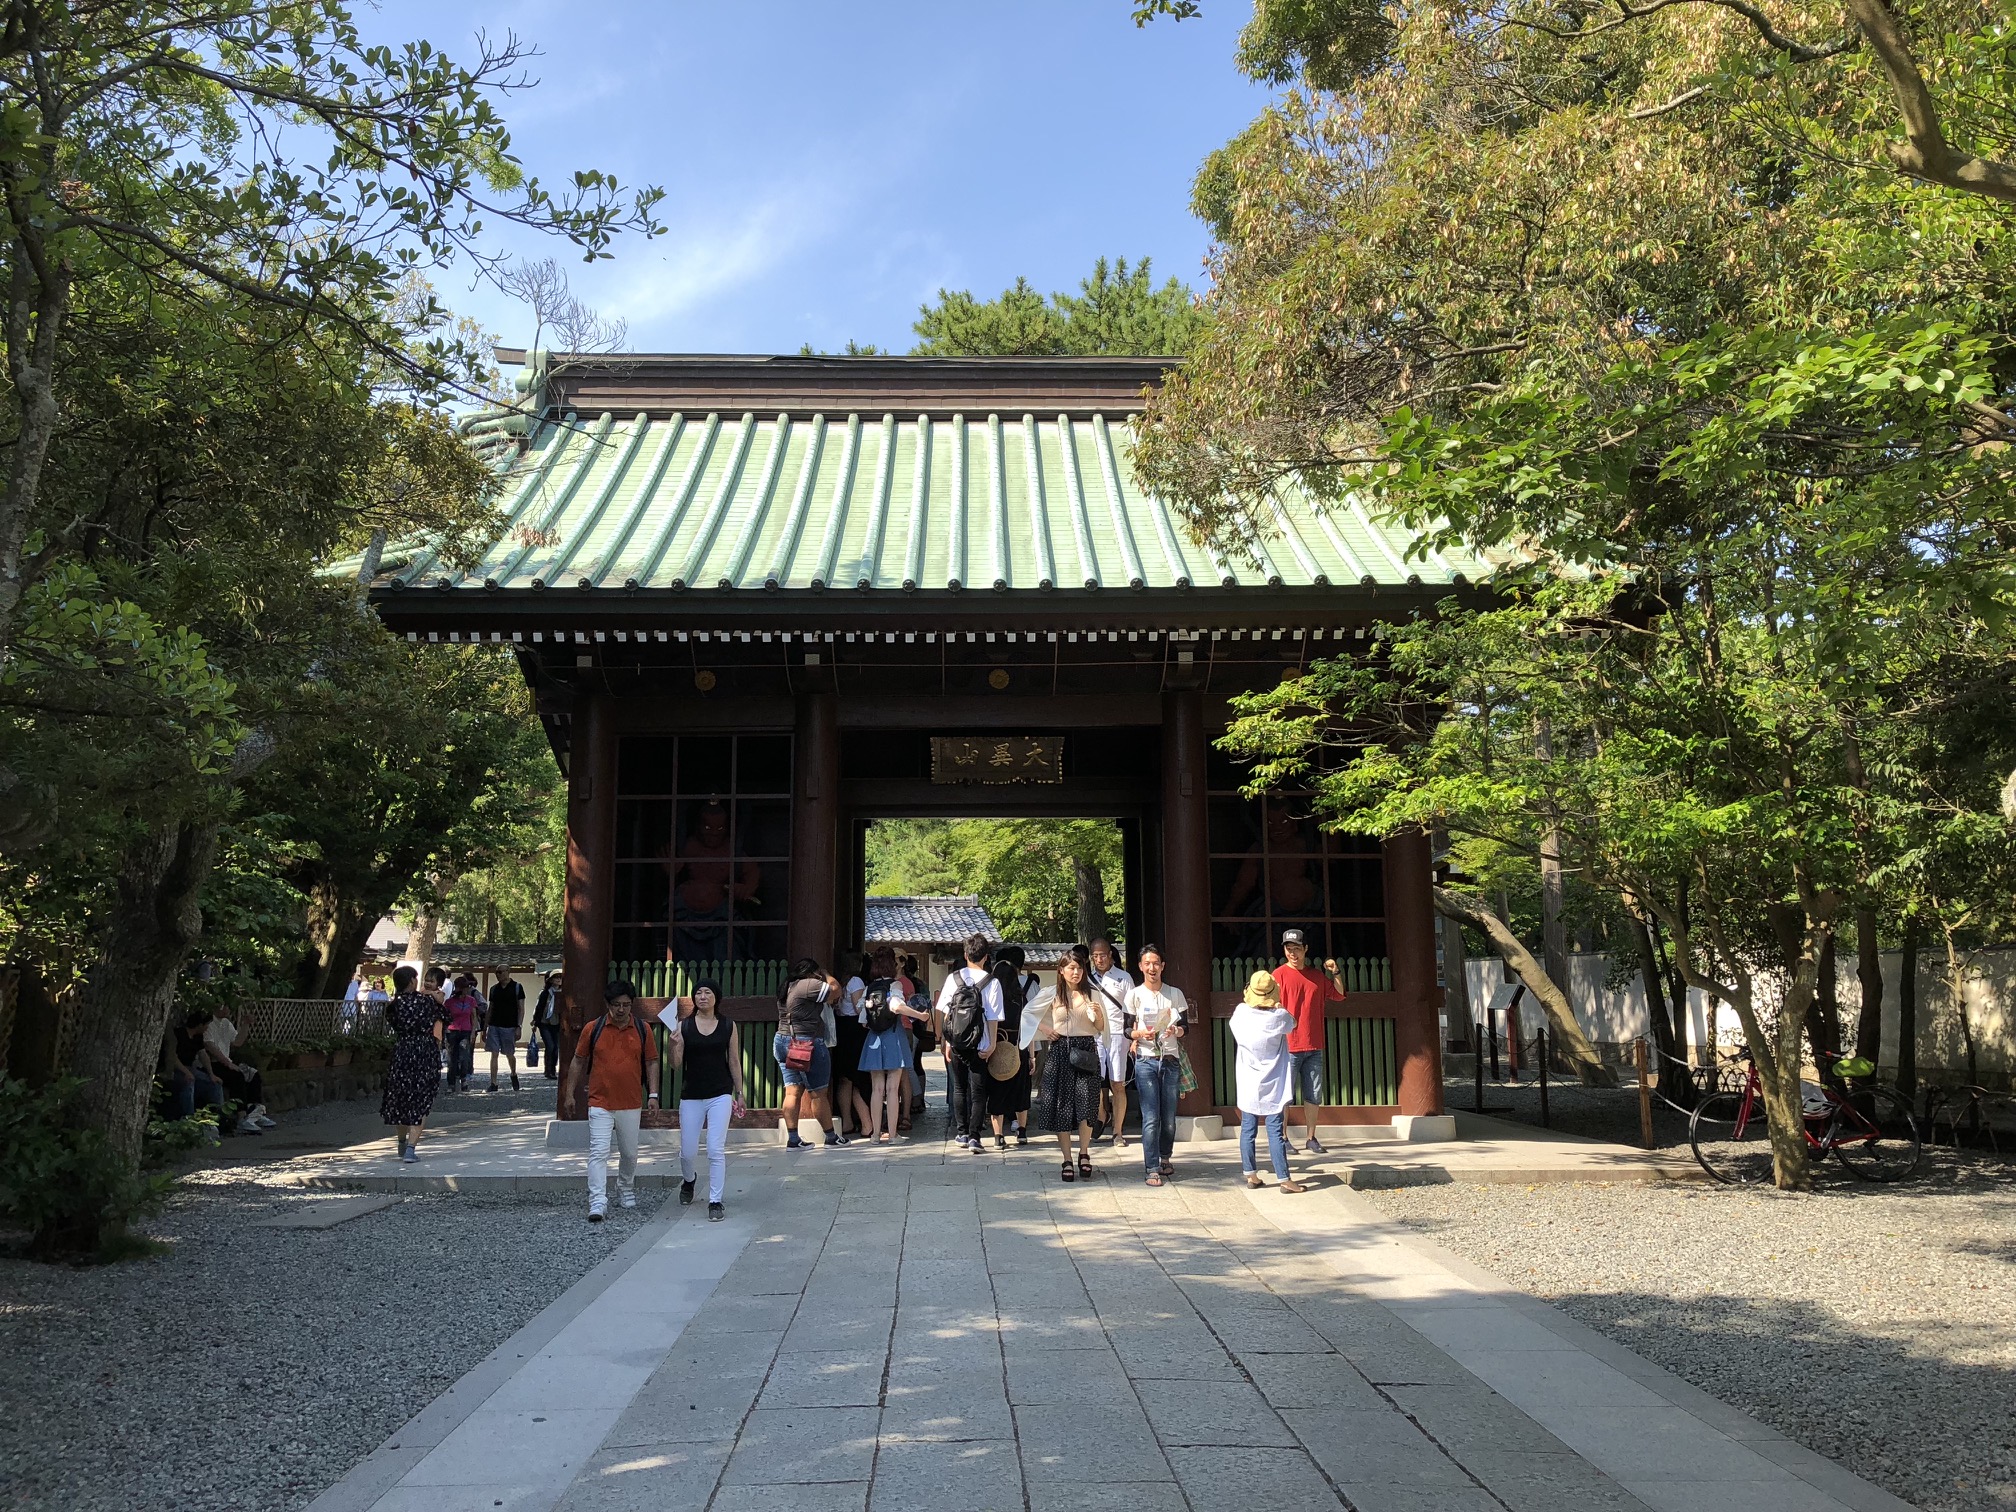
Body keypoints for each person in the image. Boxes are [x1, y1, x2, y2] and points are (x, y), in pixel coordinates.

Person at [565, 978, 660, 1221]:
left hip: (630, 1101)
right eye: (617, 1004)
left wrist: (653, 1094)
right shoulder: (592, 1028)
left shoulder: (642, 1029)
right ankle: (597, 1200)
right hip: (600, 1101)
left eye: (626, 1005)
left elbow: (651, 1061)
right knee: (598, 1152)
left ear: (632, 1005)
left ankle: (625, 1187)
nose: (621, 1010)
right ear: (608, 1004)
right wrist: (569, 1093)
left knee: (630, 1152)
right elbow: (578, 1060)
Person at [663, 978, 743, 1220]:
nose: (703, 997)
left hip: (720, 1092)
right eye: (698, 993)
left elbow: (734, 1060)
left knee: (715, 1149)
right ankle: (689, 1180)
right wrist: (672, 1044)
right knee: (687, 1151)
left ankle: (715, 1200)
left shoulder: (728, 1025)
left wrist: (739, 1092)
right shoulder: (684, 1026)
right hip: (692, 1094)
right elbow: (675, 1064)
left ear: (716, 997)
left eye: (708, 992)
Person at [1231, 970, 1307, 1193]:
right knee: (1274, 1130)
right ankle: (1284, 1178)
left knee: (1248, 1128)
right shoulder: (1279, 1017)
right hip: (1273, 1079)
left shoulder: (1241, 1013)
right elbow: (1293, 1023)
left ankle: (1251, 1175)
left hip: (1247, 1078)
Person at [1037, 944, 1108, 1181]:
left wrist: (1097, 1015)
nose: (1075, 972)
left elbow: (1100, 1028)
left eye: (1079, 968)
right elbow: (1029, 1015)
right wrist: (1047, 1029)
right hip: (1060, 1051)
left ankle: (1084, 1153)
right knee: (1062, 1106)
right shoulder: (1052, 994)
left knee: (1086, 1105)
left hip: (1086, 1050)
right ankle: (1067, 1158)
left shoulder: (1093, 994)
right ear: (1061, 971)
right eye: (1071, 968)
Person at [1273, 929, 1348, 1154]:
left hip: (1314, 1043)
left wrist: (1336, 973)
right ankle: (1283, 1137)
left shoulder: (1316, 976)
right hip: (1288, 1043)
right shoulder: (1278, 975)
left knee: (1313, 1093)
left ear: (1305, 949)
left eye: (1297, 948)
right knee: (1285, 1094)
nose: (1292, 953)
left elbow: (1339, 995)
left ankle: (1311, 1137)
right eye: (1288, 949)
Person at [1126, 945, 1188, 1186]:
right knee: (1151, 1116)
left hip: (1170, 1059)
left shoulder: (1174, 994)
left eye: (1156, 963)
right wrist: (1139, 1033)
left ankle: (1165, 1156)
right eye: (1147, 963)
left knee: (1169, 1116)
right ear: (1141, 966)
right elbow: (1126, 1029)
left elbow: (1187, 1027)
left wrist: (1176, 1029)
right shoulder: (1134, 995)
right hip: (1145, 1059)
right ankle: (1151, 1166)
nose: (1152, 968)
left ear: (1163, 966)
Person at [935, 933, 1003, 1154]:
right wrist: (991, 1044)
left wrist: (946, 1041)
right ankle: (975, 1136)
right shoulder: (991, 982)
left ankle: (961, 1132)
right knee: (979, 1091)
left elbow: (945, 1013)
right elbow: (992, 1017)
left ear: (965, 954)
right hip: (980, 1043)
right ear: (985, 957)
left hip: (956, 1043)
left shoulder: (953, 978)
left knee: (959, 1088)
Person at [776, 958, 848, 1149]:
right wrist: (825, 973)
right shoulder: (809, 984)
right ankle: (831, 1136)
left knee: (792, 1090)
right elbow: (836, 989)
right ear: (812, 973)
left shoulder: (787, 986)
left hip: (783, 1039)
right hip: (806, 1042)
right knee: (818, 1093)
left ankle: (793, 1138)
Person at [380, 966, 446, 1162]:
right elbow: (445, 1018)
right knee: (421, 1099)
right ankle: (410, 1148)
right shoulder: (427, 1002)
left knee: (401, 1097)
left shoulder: (393, 1005)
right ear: (411, 981)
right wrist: (437, 1001)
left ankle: (401, 1141)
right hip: (424, 1052)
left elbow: (394, 1022)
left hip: (402, 1051)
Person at [985, 945, 1034, 1149]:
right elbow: (1028, 1027)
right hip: (1018, 1046)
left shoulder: (991, 998)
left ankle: (998, 1136)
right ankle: (1021, 1132)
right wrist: (1031, 1056)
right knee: (1021, 1091)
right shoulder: (1021, 998)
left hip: (996, 1047)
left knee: (997, 1090)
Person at [1088, 937, 1134, 1147]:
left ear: (1111, 955)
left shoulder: (1123, 978)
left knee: (1118, 1083)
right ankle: (1101, 1113)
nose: (1099, 959)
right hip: (1095, 1033)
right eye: (1095, 956)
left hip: (1117, 1034)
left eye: (1103, 955)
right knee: (1095, 1080)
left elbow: (1132, 1009)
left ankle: (1118, 1131)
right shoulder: (1086, 979)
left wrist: (1132, 1034)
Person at [202, 1007, 274, 1131]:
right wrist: (228, 1063)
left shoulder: (226, 1023)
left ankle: (255, 1112)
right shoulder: (208, 1024)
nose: (228, 1009)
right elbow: (210, 1047)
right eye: (225, 1006)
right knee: (237, 1076)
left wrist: (245, 1024)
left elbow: (237, 1042)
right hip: (212, 1064)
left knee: (253, 1074)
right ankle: (242, 1117)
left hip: (226, 1062)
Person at [832, 951, 874, 1138]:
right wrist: (872, 1005)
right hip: (854, 1030)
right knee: (856, 1077)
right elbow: (859, 1008)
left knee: (844, 1078)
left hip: (841, 1028)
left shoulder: (840, 980)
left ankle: (847, 1120)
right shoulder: (856, 981)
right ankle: (866, 1122)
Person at [484, 972, 526, 1092]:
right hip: (494, 1024)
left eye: (501, 972)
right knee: (494, 1053)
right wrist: (485, 1027)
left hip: (510, 1025)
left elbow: (521, 1008)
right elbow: (490, 1008)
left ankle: (513, 1073)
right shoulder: (494, 989)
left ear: (507, 972)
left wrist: (519, 1026)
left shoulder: (517, 987)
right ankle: (493, 1082)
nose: (498, 975)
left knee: (509, 1053)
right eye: (497, 972)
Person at [441, 975, 482, 1093]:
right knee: (451, 1058)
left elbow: (474, 1017)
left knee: (464, 1056)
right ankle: (451, 1083)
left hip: (465, 1030)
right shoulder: (449, 1002)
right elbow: (445, 1017)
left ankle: (464, 1079)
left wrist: (474, 1031)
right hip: (452, 1030)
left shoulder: (471, 1000)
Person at [532, 972, 563, 1078]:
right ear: (550, 980)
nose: (558, 979)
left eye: (560, 977)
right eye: (556, 977)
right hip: (544, 1022)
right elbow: (539, 1007)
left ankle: (553, 1069)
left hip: (557, 1022)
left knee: (556, 1047)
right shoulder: (545, 993)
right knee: (550, 1046)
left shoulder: (563, 993)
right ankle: (548, 1070)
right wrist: (535, 1021)